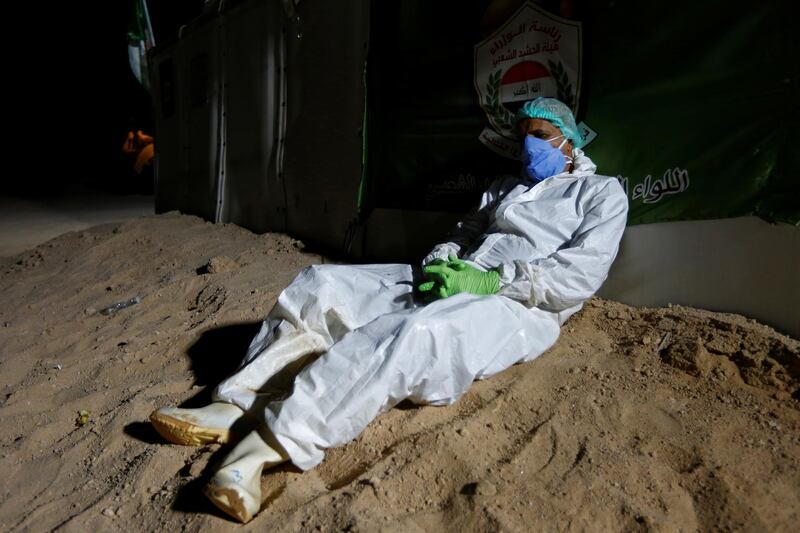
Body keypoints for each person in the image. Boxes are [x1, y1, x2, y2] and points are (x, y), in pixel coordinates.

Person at [150, 97, 629, 523]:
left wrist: (490, 281)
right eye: (523, 137)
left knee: (413, 333)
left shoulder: (600, 194)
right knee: (324, 284)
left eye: (540, 137)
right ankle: (235, 404)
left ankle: (262, 451)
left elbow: (577, 277)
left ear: (568, 140)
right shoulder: (505, 185)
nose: (529, 148)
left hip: (516, 305)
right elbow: (467, 229)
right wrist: (447, 256)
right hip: (451, 279)